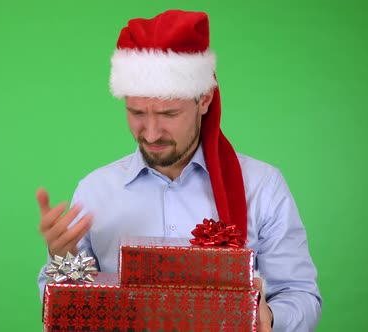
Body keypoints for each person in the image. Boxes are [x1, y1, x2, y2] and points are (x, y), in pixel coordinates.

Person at [36, 9, 322, 332]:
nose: (152, 132)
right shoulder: (94, 192)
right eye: (136, 112)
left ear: (204, 100)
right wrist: (62, 259)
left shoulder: (262, 187)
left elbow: (300, 295)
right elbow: (68, 311)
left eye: (169, 113)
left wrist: (269, 318)